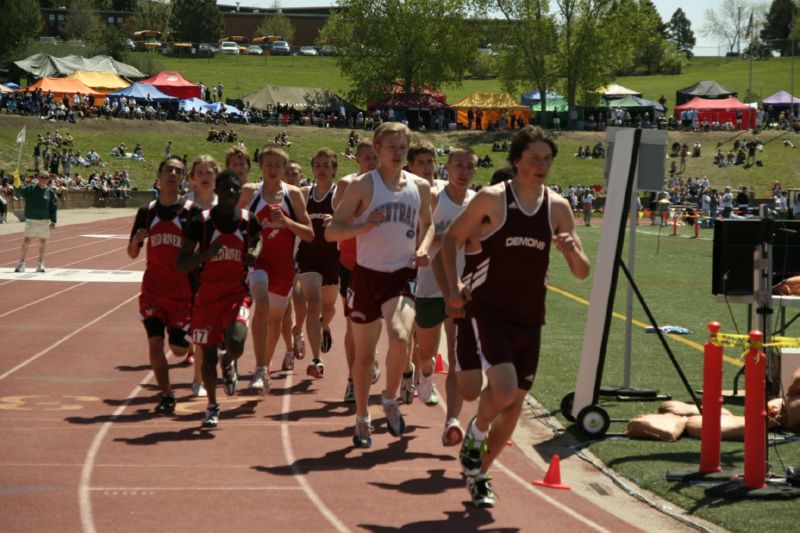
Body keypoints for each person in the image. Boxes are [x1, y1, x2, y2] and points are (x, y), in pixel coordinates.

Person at [441, 126, 590, 507]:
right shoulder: (492, 200)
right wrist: (452, 286)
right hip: (488, 310)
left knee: (514, 407)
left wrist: (572, 251)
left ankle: (478, 475)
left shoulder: (558, 207)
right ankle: (476, 432)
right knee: (498, 391)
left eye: (547, 159)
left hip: (530, 316)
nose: (541, 166)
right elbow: (450, 239)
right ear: (516, 161)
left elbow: (581, 271)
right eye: (533, 159)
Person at [325, 122, 434, 448]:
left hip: (400, 276)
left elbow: (428, 225)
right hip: (366, 276)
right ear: (377, 148)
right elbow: (332, 231)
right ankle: (361, 417)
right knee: (364, 354)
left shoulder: (420, 187)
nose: (397, 153)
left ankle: (388, 397)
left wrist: (424, 247)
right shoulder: (363, 186)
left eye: (403, 147)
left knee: (401, 339)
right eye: (391, 147)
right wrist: (362, 225)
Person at [176, 170, 262, 428]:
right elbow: (181, 263)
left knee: (236, 342)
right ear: (217, 191)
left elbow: (258, 241)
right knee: (208, 358)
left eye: (236, 189)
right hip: (206, 299)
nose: (232, 193)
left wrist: (254, 253)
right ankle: (212, 405)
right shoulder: (201, 223)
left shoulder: (248, 220)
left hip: (237, 294)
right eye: (226, 188)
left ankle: (230, 362)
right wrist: (207, 254)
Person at [415, 148, 477, 446]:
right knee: (426, 351)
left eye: (470, 167)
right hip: (428, 287)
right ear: (447, 169)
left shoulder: (478, 202)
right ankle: (425, 371)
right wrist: (449, 240)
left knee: (456, 357)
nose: (464, 172)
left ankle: (452, 420)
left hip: (460, 289)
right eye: (459, 166)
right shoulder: (435, 197)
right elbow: (420, 238)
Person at [127, 157, 197, 415]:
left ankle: (190, 345)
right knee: (155, 342)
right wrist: (136, 240)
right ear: (159, 174)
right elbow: (132, 253)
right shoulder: (146, 213)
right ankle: (167, 396)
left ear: (183, 178)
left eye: (178, 171)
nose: (173, 174)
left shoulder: (191, 213)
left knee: (178, 350)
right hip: (153, 291)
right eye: (168, 170)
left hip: (182, 293)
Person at [248, 146, 313, 394]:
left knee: (275, 322)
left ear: (284, 169)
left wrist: (285, 221)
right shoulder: (251, 193)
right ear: (261, 166)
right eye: (269, 164)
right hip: (258, 263)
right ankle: (259, 367)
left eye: (278, 166)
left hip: (284, 267)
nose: (273, 170)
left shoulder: (293, 196)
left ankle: (264, 367)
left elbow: (309, 235)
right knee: (261, 306)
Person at [332, 140, 381, 403]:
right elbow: (339, 221)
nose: (371, 163)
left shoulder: (388, 186)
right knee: (352, 325)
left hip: (380, 262)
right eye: (366, 158)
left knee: (377, 321)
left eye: (375, 158)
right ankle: (352, 380)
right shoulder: (346, 185)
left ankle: (370, 358)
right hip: (351, 263)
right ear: (357, 159)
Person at [295, 148, 341, 378]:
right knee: (313, 304)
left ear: (334, 170)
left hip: (333, 260)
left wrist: (338, 219)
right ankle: (317, 359)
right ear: (312, 168)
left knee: (328, 308)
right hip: (308, 258)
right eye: (318, 165)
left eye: (326, 165)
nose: (322, 170)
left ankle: (324, 327)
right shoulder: (304, 194)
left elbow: (351, 218)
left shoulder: (339, 195)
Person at [14, 172, 58, 273]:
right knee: (27, 241)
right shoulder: (31, 189)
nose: (44, 179)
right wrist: (16, 181)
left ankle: (40, 263)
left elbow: (53, 206)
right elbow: (19, 191)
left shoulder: (50, 191)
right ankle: (21, 263)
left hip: (44, 221)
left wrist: (53, 220)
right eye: (42, 177)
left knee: (43, 242)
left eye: (46, 178)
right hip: (31, 220)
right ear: (38, 178)